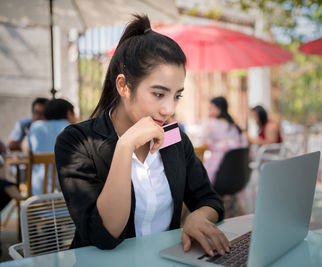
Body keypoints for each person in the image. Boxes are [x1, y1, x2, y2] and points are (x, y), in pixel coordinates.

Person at [54, 15, 229, 256]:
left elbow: (210, 200)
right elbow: (105, 236)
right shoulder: (77, 141)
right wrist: (125, 147)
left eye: (177, 96)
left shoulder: (174, 139)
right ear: (123, 86)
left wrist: (197, 218)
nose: (169, 109)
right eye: (159, 94)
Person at [27, 98, 76, 195]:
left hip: (37, 196)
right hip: (66, 197)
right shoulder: (71, 129)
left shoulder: (35, 127)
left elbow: (29, 150)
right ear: (68, 113)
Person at [202, 96, 248, 184]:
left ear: (219, 108)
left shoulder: (212, 123)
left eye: (211, 108)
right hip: (237, 174)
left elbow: (203, 140)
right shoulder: (233, 125)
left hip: (218, 168)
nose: (209, 111)